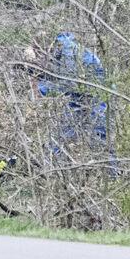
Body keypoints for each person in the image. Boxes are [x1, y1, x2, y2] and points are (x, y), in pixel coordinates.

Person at [35, 31, 111, 167]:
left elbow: (69, 83)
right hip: (81, 97)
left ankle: (112, 171)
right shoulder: (64, 50)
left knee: (100, 136)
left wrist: (42, 87)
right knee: (63, 134)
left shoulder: (68, 52)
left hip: (96, 97)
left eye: (40, 54)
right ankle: (50, 165)